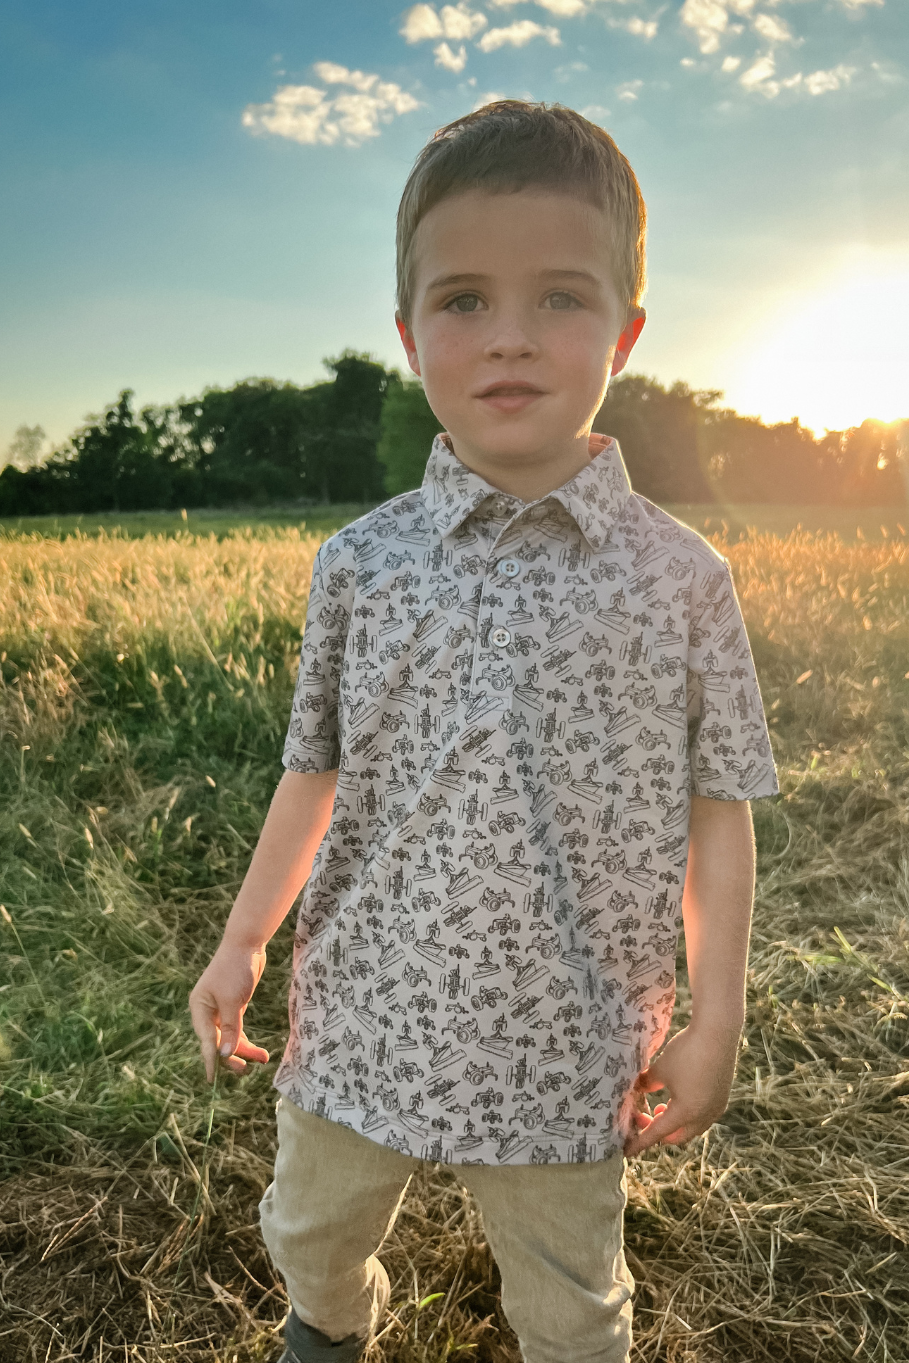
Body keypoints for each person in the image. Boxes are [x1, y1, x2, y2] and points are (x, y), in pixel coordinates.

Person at [189, 100, 779, 1363]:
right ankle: (329, 1336)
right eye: (463, 301)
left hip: (568, 1036)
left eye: (560, 298)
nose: (510, 337)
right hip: (363, 1010)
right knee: (310, 1232)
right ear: (410, 337)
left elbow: (716, 817)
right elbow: (313, 777)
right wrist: (243, 944)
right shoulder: (360, 565)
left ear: (624, 329)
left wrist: (716, 1012)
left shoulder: (684, 581)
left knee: (572, 1308)